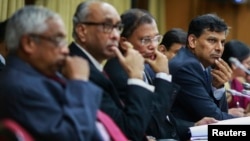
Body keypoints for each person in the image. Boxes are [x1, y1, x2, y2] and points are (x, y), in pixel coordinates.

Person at [104, 8, 217, 141]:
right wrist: (163, 75)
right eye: (146, 40)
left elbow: (164, 119)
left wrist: (194, 125)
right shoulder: (119, 74)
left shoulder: (144, 65)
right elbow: (151, 125)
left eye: (156, 38)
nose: (153, 46)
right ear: (124, 42)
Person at [0, 5, 109, 141]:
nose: (66, 50)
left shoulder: (38, 76)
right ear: (29, 43)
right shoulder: (20, 87)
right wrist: (79, 82)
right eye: (57, 40)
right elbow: (73, 137)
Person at [69, 1, 158, 141]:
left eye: (118, 27)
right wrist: (136, 76)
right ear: (82, 31)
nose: (115, 35)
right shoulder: (78, 70)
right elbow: (129, 131)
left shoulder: (91, 66)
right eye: (107, 26)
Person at [169, 13, 238, 122]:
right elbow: (215, 118)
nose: (219, 48)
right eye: (212, 40)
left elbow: (221, 114)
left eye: (222, 42)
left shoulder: (206, 67)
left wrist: (218, 87)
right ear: (192, 41)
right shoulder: (186, 67)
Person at [221, 39, 250, 115]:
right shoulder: (219, 84)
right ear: (234, 64)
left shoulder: (236, 83)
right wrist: (226, 113)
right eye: (248, 63)